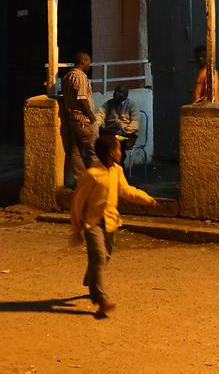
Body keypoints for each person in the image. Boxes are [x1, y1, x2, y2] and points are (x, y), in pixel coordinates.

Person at [70, 135, 158, 316]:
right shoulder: (92, 175)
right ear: (111, 153)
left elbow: (125, 191)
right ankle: (101, 299)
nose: (121, 152)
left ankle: (92, 278)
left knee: (104, 256)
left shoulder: (116, 170)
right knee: (100, 257)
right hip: (92, 223)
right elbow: (78, 202)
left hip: (110, 221)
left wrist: (146, 198)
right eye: (118, 149)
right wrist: (76, 226)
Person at [61, 52, 99, 184]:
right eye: (88, 61)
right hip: (84, 120)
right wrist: (92, 118)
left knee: (75, 152)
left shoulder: (66, 77)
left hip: (73, 120)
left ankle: (82, 182)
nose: (90, 64)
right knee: (94, 153)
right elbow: (82, 99)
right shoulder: (81, 77)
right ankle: (97, 183)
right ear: (83, 61)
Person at [96, 85, 140, 163]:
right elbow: (100, 114)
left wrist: (123, 131)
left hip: (126, 135)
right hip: (111, 132)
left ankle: (119, 167)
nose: (116, 94)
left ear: (125, 95)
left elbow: (134, 125)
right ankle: (105, 166)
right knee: (99, 140)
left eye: (119, 92)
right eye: (115, 91)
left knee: (118, 143)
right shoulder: (109, 103)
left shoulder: (132, 105)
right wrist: (97, 124)